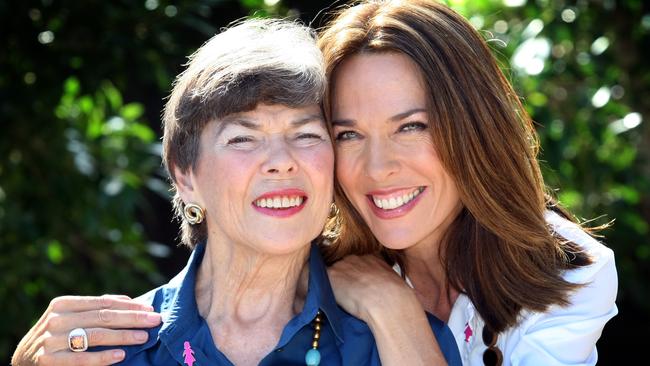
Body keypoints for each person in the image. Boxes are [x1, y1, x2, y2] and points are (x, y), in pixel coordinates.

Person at [10, 17, 462, 366]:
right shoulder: (109, 350)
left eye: (306, 134)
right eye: (242, 138)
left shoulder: (399, 341)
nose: (281, 160)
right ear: (185, 174)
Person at [318, 0, 617, 365]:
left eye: (412, 127)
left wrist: (393, 310)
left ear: (474, 127)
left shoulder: (568, 272)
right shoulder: (312, 270)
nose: (378, 169)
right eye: (349, 134)